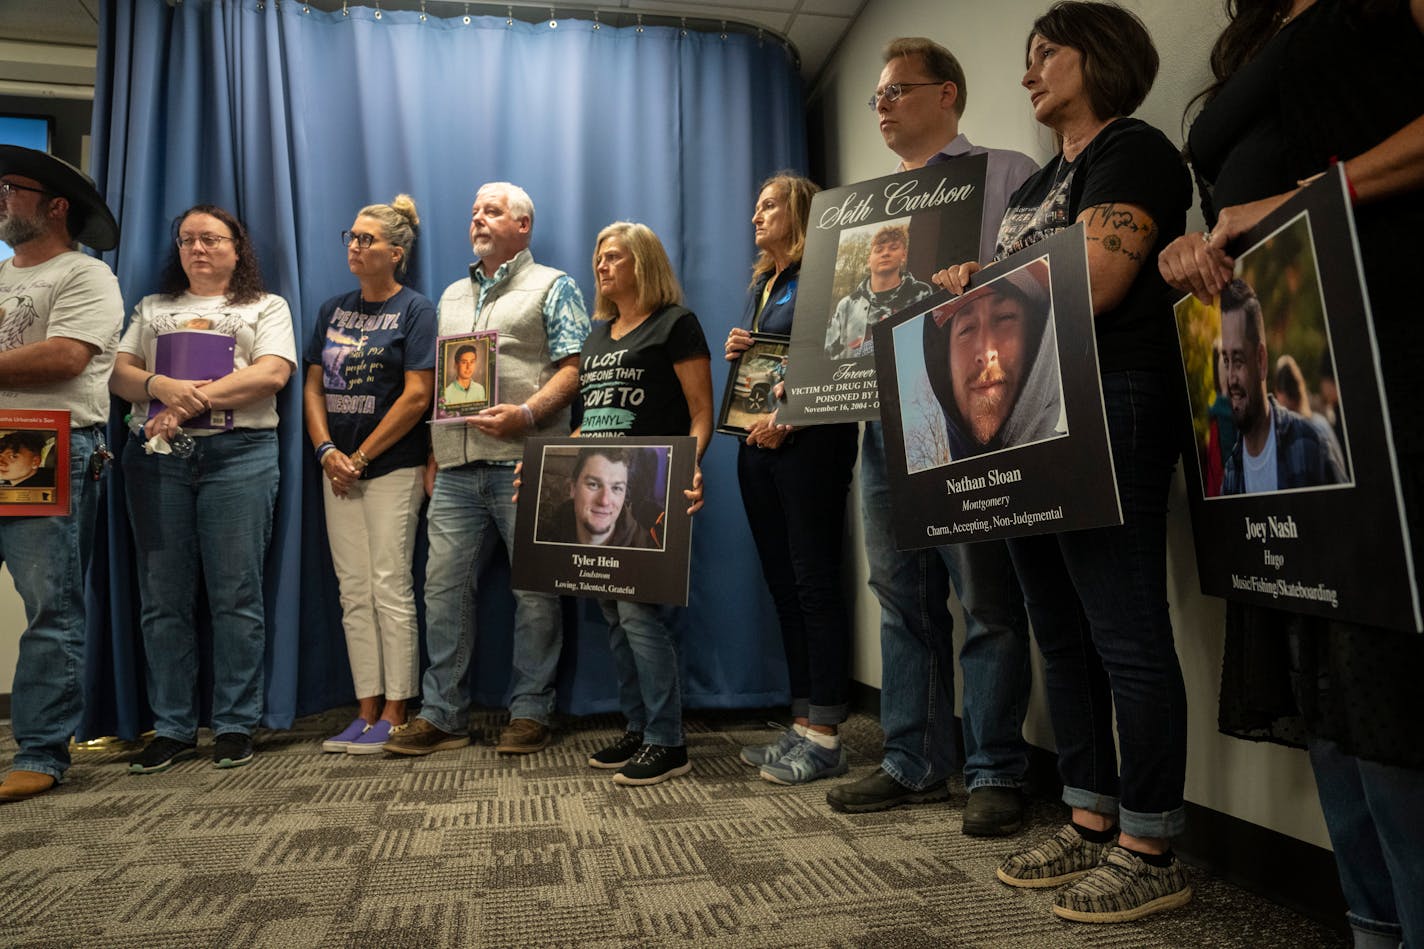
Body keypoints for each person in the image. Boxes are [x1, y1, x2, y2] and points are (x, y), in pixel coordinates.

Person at [1157, 0, 1424, 942]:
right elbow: (1230, 202)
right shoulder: (1254, 36)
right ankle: (1372, 925)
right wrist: (1194, 248)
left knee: (1384, 674)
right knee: (1318, 678)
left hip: (1388, 338)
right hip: (1281, 344)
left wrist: (1314, 196)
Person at [938, 1, 1193, 921]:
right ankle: (1090, 814)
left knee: (1124, 627)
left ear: (1103, 56)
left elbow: (1105, 276)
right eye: (1028, 56)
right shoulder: (1034, 186)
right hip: (1024, 423)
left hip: (1112, 400)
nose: (1028, 71)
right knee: (1058, 627)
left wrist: (995, 281)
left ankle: (1152, 837)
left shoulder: (1138, 152)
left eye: (1047, 53)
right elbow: (1030, 285)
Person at [823, 36, 1040, 841]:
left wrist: (980, 276)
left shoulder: (1007, 171)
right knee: (899, 593)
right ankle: (912, 757)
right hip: (883, 420)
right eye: (876, 96)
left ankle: (994, 768)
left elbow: (1036, 277)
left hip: (966, 414)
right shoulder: (866, 210)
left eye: (895, 92)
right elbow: (840, 330)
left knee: (985, 595)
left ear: (946, 94)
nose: (880, 106)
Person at [383, 182, 589, 758]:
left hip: (529, 464)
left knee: (536, 594)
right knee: (442, 591)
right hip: (453, 469)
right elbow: (444, 389)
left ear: (523, 225)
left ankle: (531, 712)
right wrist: (432, 452)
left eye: (492, 211)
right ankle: (443, 715)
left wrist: (526, 413)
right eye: (474, 211)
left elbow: (575, 369)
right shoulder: (448, 295)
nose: (478, 219)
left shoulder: (553, 285)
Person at [113, 204, 297, 774]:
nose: (198, 249)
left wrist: (191, 400)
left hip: (239, 457)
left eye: (212, 239)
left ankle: (235, 724)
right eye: (188, 240)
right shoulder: (152, 307)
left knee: (235, 594)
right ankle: (171, 727)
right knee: (162, 598)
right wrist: (158, 384)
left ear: (236, 249)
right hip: (157, 460)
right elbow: (118, 373)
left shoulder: (265, 306)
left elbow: (272, 373)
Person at [726, 173, 860, 786]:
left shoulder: (826, 274)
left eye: (769, 205)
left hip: (810, 441)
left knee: (813, 583)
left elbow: (839, 354)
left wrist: (791, 416)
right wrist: (745, 348)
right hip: (757, 441)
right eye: (754, 206)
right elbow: (777, 357)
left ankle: (827, 735)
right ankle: (803, 720)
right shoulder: (766, 280)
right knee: (784, 585)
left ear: (800, 211)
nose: (756, 215)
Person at [0, 146, 122, 803]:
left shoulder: (86, 276)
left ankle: (42, 751)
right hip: (7, 440)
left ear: (55, 206)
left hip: (43, 444)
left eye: (11, 189)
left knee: (50, 604)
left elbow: (66, 357)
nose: (0, 198)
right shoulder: (0, 273)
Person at [579, 221, 711, 786]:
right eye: (599, 258)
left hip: (650, 493)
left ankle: (667, 739)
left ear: (643, 264)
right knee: (612, 613)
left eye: (614, 257)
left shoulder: (675, 325)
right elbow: (586, 424)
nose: (603, 267)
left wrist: (690, 467)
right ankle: (637, 727)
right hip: (599, 497)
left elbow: (700, 413)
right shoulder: (597, 334)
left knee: (638, 612)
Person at [304, 195, 435, 755]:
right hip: (336, 470)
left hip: (391, 471)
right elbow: (312, 388)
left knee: (389, 585)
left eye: (367, 239)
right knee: (353, 591)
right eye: (351, 237)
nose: (355, 247)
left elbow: (418, 396)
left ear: (396, 253)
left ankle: (397, 708)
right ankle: (364, 706)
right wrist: (328, 451)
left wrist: (360, 458)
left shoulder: (415, 311)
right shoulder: (332, 309)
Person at [922, 259, 1064, 459]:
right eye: (967, 328)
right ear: (945, 366)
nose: (985, 351)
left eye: (1005, 318)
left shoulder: (1086, 473)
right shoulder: (929, 487)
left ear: (1038, 341)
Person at [1217, 279, 1345, 494]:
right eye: (1226, 361)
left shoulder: (1309, 444)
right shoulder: (1231, 475)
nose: (1230, 379)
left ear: (1261, 361)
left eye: (1238, 360)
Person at [823, 224, 934, 359]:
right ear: (869, 260)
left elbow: (930, 343)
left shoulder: (922, 294)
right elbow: (827, 353)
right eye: (879, 250)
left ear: (904, 255)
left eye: (893, 248)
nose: (885, 253)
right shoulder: (847, 304)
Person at [543, 445, 657, 548]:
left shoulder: (648, 552)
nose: (604, 501)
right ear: (573, 488)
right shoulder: (543, 537)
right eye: (593, 485)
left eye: (616, 488)